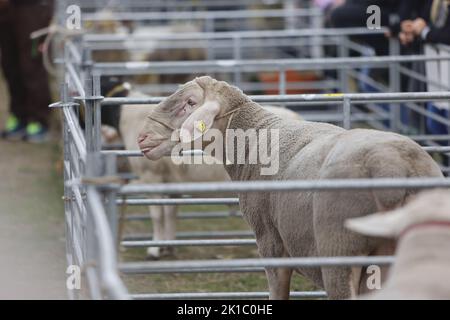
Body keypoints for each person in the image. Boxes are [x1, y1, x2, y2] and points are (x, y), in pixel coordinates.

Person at [0, 0, 53, 143]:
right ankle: (18, 115)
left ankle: (38, 119)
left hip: (33, 7)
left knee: (31, 65)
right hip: (6, 8)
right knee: (10, 65)